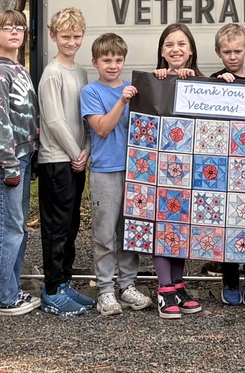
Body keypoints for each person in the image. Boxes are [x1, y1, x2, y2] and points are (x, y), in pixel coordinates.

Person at [80, 33, 154, 317]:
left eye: (118, 60)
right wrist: (122, 102)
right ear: (95, 62)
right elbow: (101, 128)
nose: (113, 65)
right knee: (105, 233)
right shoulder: (91, 92)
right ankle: (105, 290)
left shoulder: (133, 89)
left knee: (130, 231)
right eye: (106, 60)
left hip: (136, 171)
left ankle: (127, 285)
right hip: (105, 170)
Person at [0, 10, 41, 316]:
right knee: (7, 227)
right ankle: (0, 297)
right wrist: (9, 163)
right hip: (8, 160)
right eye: (7, 28)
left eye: (19, 27)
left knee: (16, 227)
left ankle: (8, 289)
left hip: (23, 155)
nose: (14, 32)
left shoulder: (18, 68)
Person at [36, 8, 96, 317]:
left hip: (76, 158)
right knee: (56, 229)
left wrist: (85, 148)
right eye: (65, 36)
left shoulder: (81, 71)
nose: (71, 42)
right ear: (53, 36)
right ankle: (50, 289)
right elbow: (55, 120)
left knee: (71, 225)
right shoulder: (52, 73)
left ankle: (65, 283)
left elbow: (84, 116)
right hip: (57, 160)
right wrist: (75, 153)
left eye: (76, 36)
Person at [151, 23, 204, 318]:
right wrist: (163, 79)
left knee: (182, 227)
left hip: (190, 168)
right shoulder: (155, 82)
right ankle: (164, 289)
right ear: (161, 51)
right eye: (169, 44)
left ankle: (178, 285)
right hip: (160, 168)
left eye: (181, 44)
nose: (176, 50)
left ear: (191, 50)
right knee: (163, 225)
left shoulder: (202, 81)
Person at [210, 22, 245, 307]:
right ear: (218, 52)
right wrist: (218, 86)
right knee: (227, 224)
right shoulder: (214, 81)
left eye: (238, 51)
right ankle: (229, 278)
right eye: (227, 52)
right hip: (223, 167)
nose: (233, 57)